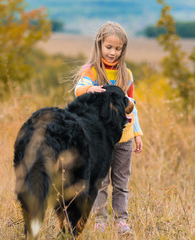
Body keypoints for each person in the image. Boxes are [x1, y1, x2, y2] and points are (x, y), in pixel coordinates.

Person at [73, 22, 143, 235]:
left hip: (124, 137)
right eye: (108, 47)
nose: (113, 52)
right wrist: (89, 88)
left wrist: (138, 133)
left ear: (123, 49)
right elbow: (78, 89)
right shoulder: (91, 71)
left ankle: (122, 221)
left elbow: (132, 106)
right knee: (101, 182)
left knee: (121, 182)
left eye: (118, 48)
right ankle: (100, 220)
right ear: (99, 45)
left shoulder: (127, 74)